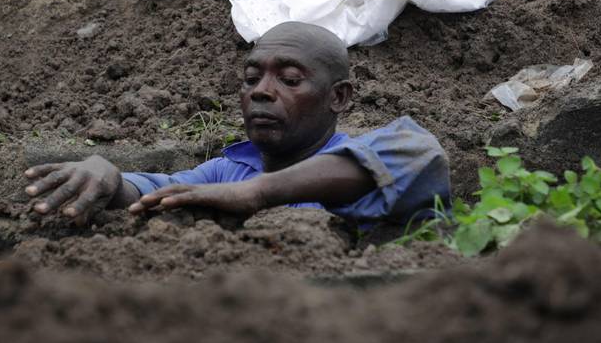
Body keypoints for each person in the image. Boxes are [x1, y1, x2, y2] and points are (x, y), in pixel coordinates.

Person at [24, 22, 451, 225]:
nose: (260, 92)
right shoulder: (228, 170)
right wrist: (107, 175)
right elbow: (157, 191)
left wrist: (255, 194)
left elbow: (421, 152)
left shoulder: (357, 168)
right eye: (251, 79)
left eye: (289, 80)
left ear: (338, 96)